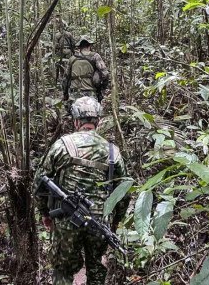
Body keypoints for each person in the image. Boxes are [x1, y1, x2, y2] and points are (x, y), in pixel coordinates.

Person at [35, 97, 129, 285]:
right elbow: (124, 192)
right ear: (98, 121)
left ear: (76, 121)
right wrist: (115, 221)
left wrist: (45, 213)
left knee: (62, 271)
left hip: (66, 222)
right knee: (96, 271)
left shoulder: (62, 145)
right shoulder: (113, 152)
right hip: (99, 221)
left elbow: (40, 182)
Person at [62, 36, 109, 104]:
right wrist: (103, 88)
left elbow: (65, 79)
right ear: (89, 46)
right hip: (91, 93)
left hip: (74, 94)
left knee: (71, 111)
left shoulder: (72, 59)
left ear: (79, 47)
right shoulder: (95, 56)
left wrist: (65, 94)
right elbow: (105, 74)